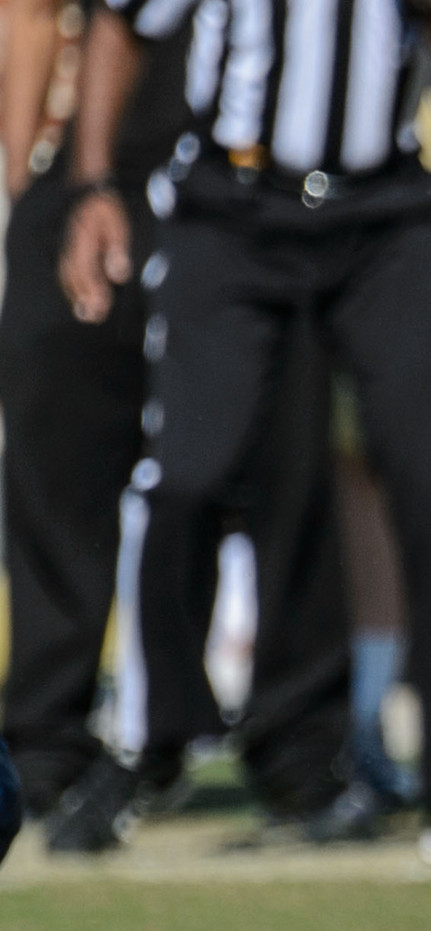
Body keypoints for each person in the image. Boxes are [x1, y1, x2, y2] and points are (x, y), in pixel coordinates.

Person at [51, 0, 431, 857]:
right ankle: (157, 740)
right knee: (188, 474)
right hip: (231, 215)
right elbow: (122, 21)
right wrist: (94, 186)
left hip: (385, 218)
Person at [1, 0, 349, 840]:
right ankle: (49, 738)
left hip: (272, 196)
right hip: (109, 167)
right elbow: (35, 12)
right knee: (59, 445)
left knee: (285, 458)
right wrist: (23, 191)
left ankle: (299, 752)